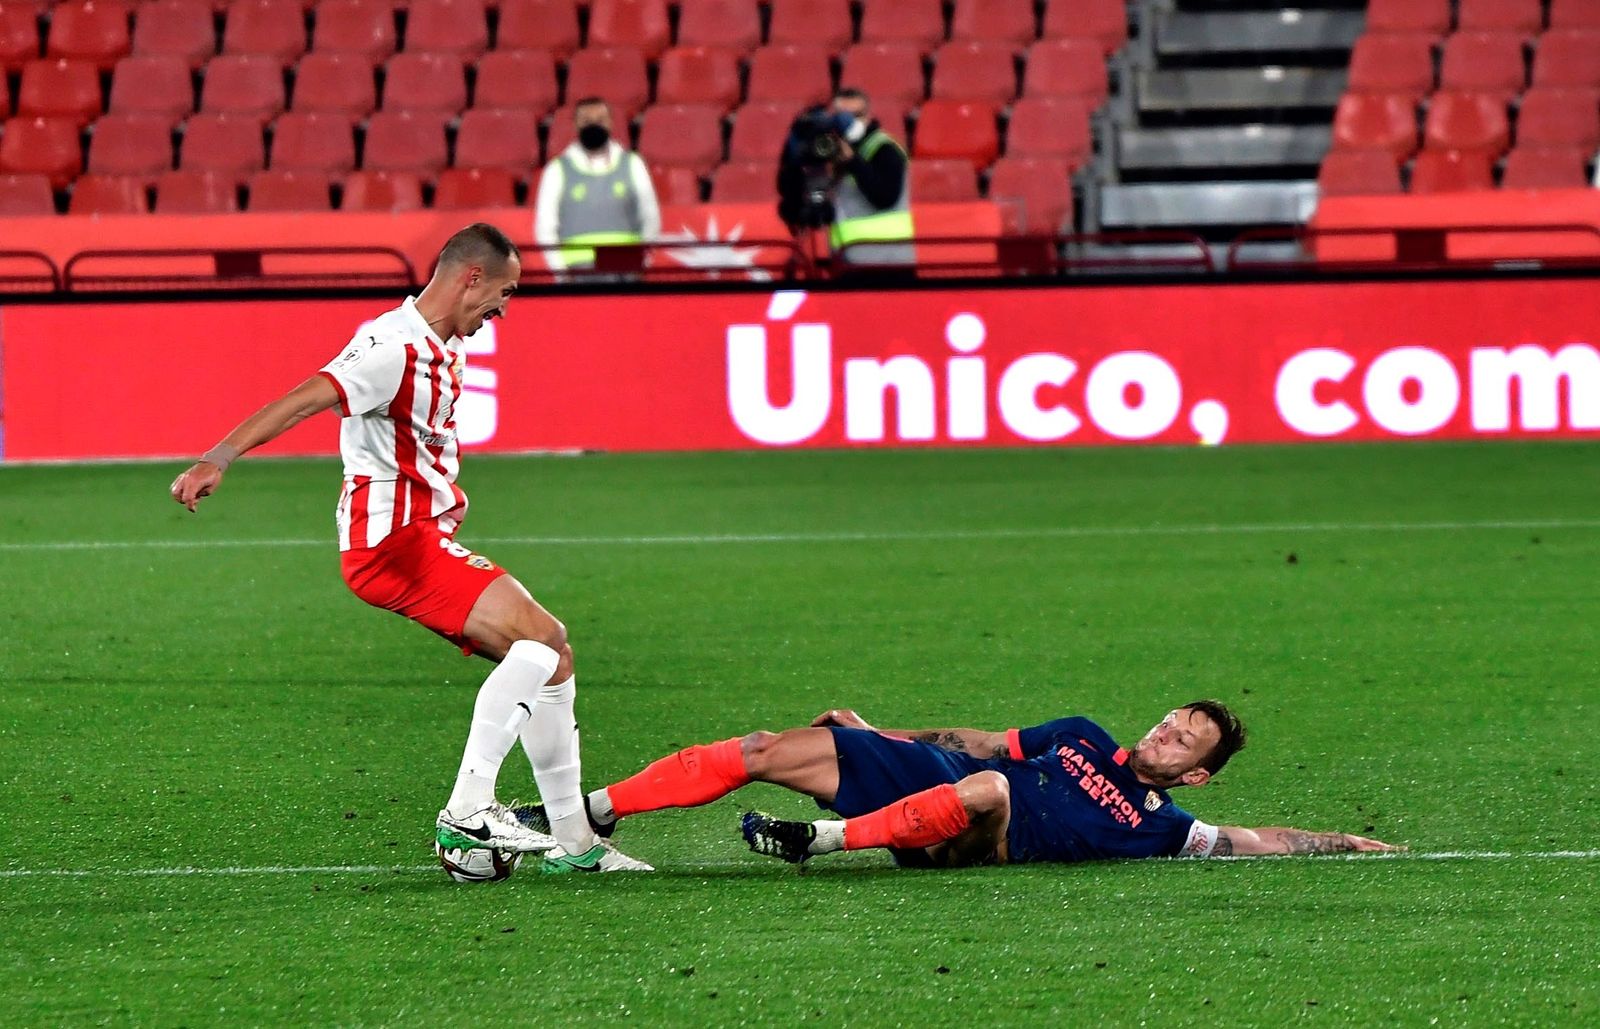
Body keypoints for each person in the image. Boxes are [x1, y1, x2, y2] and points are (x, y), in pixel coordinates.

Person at [168, 223, 650, 874]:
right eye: (503, 292)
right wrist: (216, 458)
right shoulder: (391, 349)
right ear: (470, 277)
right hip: (391, 543)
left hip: (420, 535)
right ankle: (469, 810)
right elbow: (306, 397)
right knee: (536, 639)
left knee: (553, 654)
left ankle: (574, 844)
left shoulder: (442, 340)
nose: (506, 308)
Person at [557, 701, 1400, 867]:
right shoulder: (1081, 735)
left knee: (993, 790)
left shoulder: (1166, 826)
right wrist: (879, 734)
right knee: (771, 742)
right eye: (1170, 720)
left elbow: (1262, 841)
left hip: (977, 834)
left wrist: (1348, 840)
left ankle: (820, 840)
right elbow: (975, 740)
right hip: (942, 777)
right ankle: (583, 813)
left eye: (1185, 741)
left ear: (1199, 774)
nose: (1165, 734)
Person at [777, 87, 912, 266]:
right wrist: (794, 153)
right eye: (842, 116)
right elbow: (792, 205)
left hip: (888, 262)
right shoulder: (827, 150)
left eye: (857, 115)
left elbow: (885, 196)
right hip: (845, 262)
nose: (849, 123)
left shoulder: (884, 148)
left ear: (868, 116)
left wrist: (852, 160)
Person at [533, 97, 661, 273]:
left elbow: (650, 218)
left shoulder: (633, 164)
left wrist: (641, 262)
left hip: (625, 272)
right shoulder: (556, 170)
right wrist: (561, 272)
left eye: (600, 120)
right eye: (586, 120)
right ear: (575, 124)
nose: (593, 125)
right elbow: (545, 227)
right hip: (577, 273)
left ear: (610, 123)